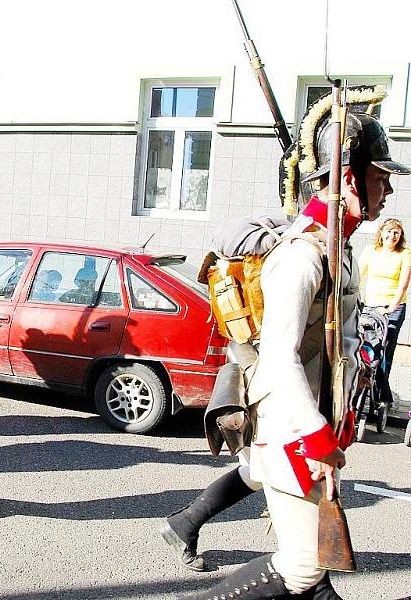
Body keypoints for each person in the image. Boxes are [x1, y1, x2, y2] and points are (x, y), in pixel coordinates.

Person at [183, 107, 409, 599]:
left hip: (312, 424)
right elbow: (280, 357)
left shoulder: (337, 247)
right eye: (380, 178)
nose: (388, 191)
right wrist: (317, 436)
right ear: (348, 180)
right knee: (304, 566)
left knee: (313, 570)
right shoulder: (302, 255)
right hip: (291, 428)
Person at [358, 218, 410, 407]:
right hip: (370, 306)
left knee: (385, 349)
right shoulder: (370, 251)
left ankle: (381, 396)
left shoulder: (404, 254)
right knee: (368, 347)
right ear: (381, 233)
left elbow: (403, 286)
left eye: (396, 232)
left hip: (393, 308)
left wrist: (391, 308)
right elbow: (359, 275)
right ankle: (371, 390)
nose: (392, 236)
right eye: (388, 231)